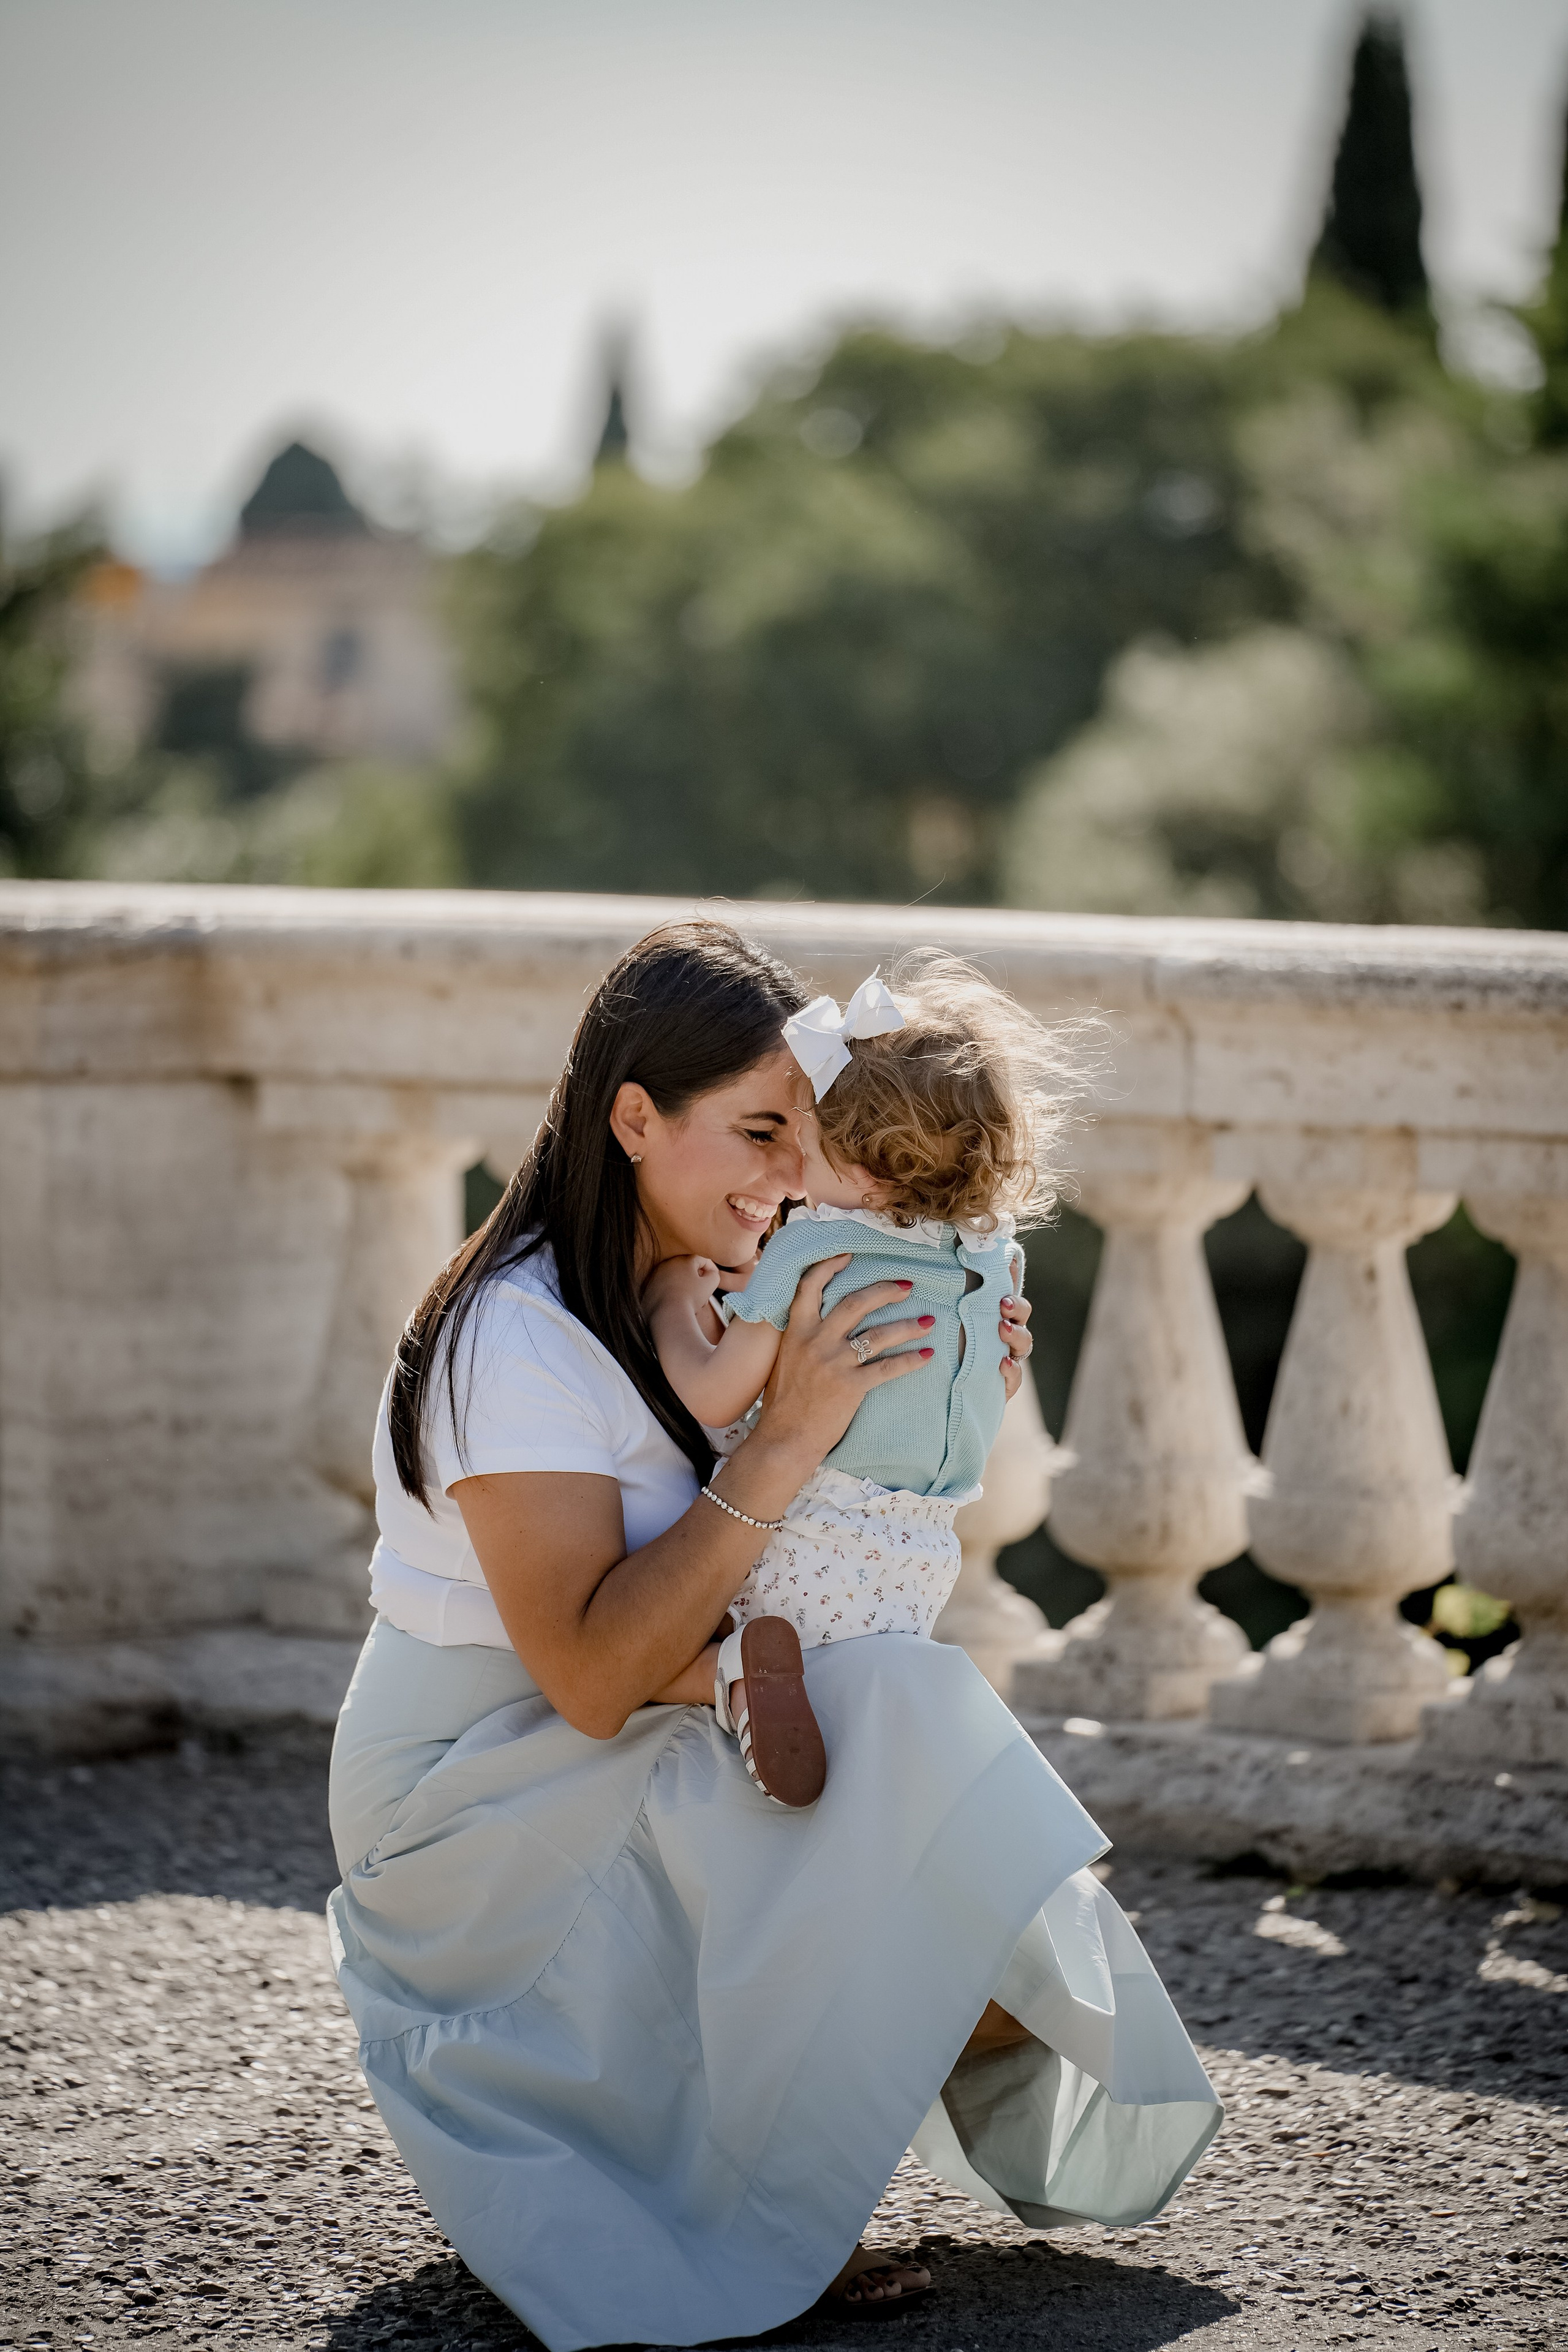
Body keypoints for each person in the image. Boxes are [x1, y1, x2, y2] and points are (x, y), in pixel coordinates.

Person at [326, 919, 1222, 2352]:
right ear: (632, 1118)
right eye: (755, 1134)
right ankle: (772, 2187)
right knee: (886, 1727)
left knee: (903, 1762)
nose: (792, 1177)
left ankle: (829, 2124)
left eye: (805, 1137)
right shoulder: (519, 1336)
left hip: (656, 1720)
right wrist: (794, 1432)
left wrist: (937, 1375)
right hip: (473, 1794)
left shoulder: (714, 1289)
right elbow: (592, 1675)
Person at [643, 956, 1060, 1808]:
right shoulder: (993, 1255)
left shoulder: (815, 1247)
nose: (794, 1170)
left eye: (806, 1143)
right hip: (926, 1542)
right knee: (852, 1697)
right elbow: (979, 1390)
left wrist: (671, 1304)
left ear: (868, 1175)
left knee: (682, 1636)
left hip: (811, 1525)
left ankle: (725, 1679)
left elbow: (713, 1395)